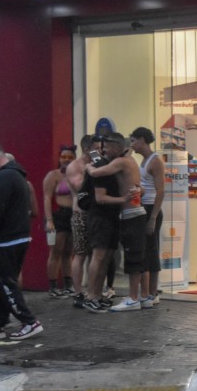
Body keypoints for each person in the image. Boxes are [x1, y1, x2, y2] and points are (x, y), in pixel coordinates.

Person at [0, 142, 43, 341]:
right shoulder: (17, 175)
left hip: (5, 240)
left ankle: (29, 321)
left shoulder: (4, 177)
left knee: (4, 283)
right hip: (15, 237)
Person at [86, 130, 147, 312]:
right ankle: (139, 296)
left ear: (116, 147)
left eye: (106, 147)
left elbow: (96, 173)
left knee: (133, 258)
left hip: (132, 214)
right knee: (135, 256)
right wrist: (137, 192)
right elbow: (138, 187)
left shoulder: (120, 162)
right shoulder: (131, 162)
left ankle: (133, 298)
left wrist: (88, 166)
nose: (103, 151)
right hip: (133, 213)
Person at [131, 127, 164, 307]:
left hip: (151, 208)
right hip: (143, 206)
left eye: (134, 140)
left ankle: (152, 292)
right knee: (146, 249)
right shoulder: (143, 160)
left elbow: (161, 191)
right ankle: (149, 292)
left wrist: (153, 217)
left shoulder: (155, 161)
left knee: (151, 249)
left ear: (142, 140)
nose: (132, 144)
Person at [42, 144, 77, 297]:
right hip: (57, 216)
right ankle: (53, 286)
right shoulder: (53, 175)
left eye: (70, 158)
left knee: (69, 252)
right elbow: (47, 198)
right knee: (55, 251)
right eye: (64, 157)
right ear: (59, 158)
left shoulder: (76, 174)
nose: (66, 160)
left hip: (73, 214)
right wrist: (49, 220)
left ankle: (68, 284)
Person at [66, 135, 94, 308]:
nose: (99, 151)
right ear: (87, 149)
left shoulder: (95, 164)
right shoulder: (75, 166)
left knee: (95, 254)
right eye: (96, 148)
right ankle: (78, 292)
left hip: (96, 214)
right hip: (81, 214)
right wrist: (91, 170)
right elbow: (80, 188)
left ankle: (93, 290)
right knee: (80, 253)